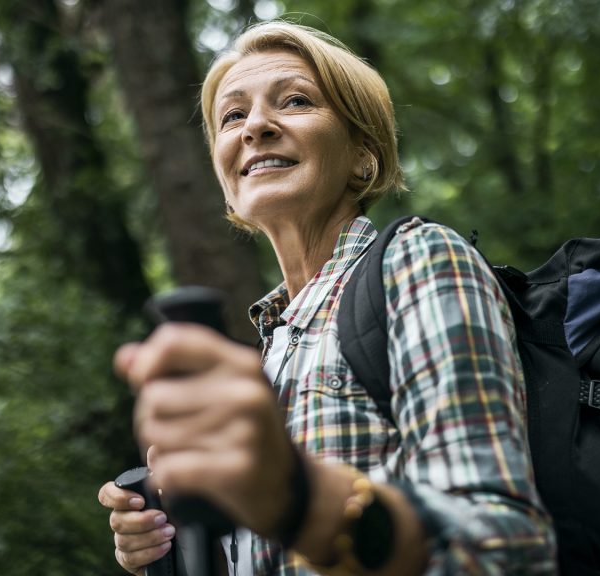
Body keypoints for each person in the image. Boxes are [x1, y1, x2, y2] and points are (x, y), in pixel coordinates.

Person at [97, 20, 556, 575]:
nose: (256, 127)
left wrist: (296, 497)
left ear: (363, 153)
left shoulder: (418, 261)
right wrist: (172, 539)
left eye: (294, 102)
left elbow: (504, 549)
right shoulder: (267, 352)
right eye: (232, 116)